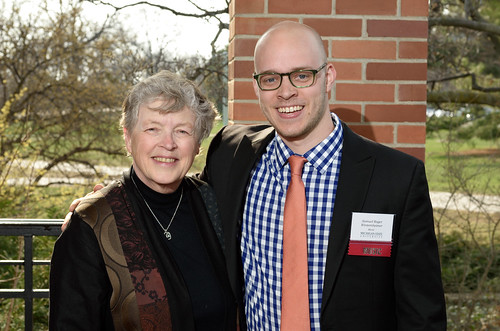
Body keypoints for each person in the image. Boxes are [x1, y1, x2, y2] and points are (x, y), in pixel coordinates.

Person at [65, 21, 447, 330]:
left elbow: (422, 314)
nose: (286, 92)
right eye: (271, 79)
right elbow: (159, 175)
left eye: (301, 75)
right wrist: (103, 205)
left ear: (328, 76)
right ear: (257, 87)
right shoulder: (233, 154)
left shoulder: (396, 178)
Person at [50, 70, 237, 330]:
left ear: (197, 145)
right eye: (152, 129)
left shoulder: (213, 204)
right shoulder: (93, 223)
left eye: (182, 131)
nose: (168, 143)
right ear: (128, 138)